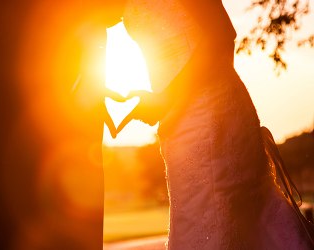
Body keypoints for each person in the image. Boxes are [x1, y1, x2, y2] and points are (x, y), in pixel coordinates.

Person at [119, 0, 314, 249]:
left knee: (212, 221)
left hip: (211, 116)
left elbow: (221, 35)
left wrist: (169, 98)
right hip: (178, 120)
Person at [0, 0, 125, 249]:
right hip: (10, 117)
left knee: (78, 233)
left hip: (77, 115)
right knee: (10, 232)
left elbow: (109, 10)